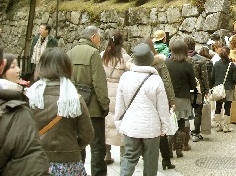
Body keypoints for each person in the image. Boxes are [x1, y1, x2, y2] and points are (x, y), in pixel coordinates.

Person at [27, 47, 94, 175]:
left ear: (41, 66)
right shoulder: (75, 99)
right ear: (67, 67)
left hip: (36, 163)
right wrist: (72, 147)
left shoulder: (29, 97)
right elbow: (88, 134)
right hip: (69, 164)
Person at [115, 43, 170, 176]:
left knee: (129, 157)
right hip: (151, 128)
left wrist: (118, 122)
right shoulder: (156, 80)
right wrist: (165, 127)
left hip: (131, 125)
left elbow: (120, 104)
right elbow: (162, 107)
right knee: (151, 160)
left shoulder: (125, 77)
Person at [0, 45, 50, 176]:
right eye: (13, 67)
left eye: (17, 66)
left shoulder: (24, 95)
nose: (18, 70)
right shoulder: (17, 113)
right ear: (2, 66)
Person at [67, 25, 110, 176]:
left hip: (74, 105)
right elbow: (99, 82)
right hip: (93, 108)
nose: (100, 41)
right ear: (93, 37)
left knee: (79, 143)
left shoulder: (70, 53)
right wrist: (104, 104)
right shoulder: (93, 53)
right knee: (97, 145)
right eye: (99, 38)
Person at [100, 30, 131, 165]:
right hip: (120, 91)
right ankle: (124, 155)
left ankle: (107, 154)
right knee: (122, 121)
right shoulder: (125, 58)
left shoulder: (102, 56)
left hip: (106, 90)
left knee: (107, 123)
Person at [165, 38, 196, 158]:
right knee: (181, 123)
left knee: (169, 123)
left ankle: (169, 148)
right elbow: (193, 84)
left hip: (169, 98)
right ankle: (179, 149)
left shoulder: (167, 63)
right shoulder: (187, 64)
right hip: (183, 98)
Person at [184, 35, 210, 144]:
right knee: (198, 111)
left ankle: (185, 133)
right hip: (198, 90)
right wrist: (206, 90)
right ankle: (195, 133)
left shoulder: (182, 59)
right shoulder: (201, 60)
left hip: (185, 90)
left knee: (185, 112)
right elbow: (204, 77)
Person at [210, 46, 236, 132]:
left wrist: (214, 86)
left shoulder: (216, 64)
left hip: (218, 88)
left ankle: (218, 125)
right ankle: (226, 126)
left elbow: (212, 77)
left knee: (218, 106)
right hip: (228, 88)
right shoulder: (231, 65)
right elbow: (235, 78)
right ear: (228, 54)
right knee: (227, 107)